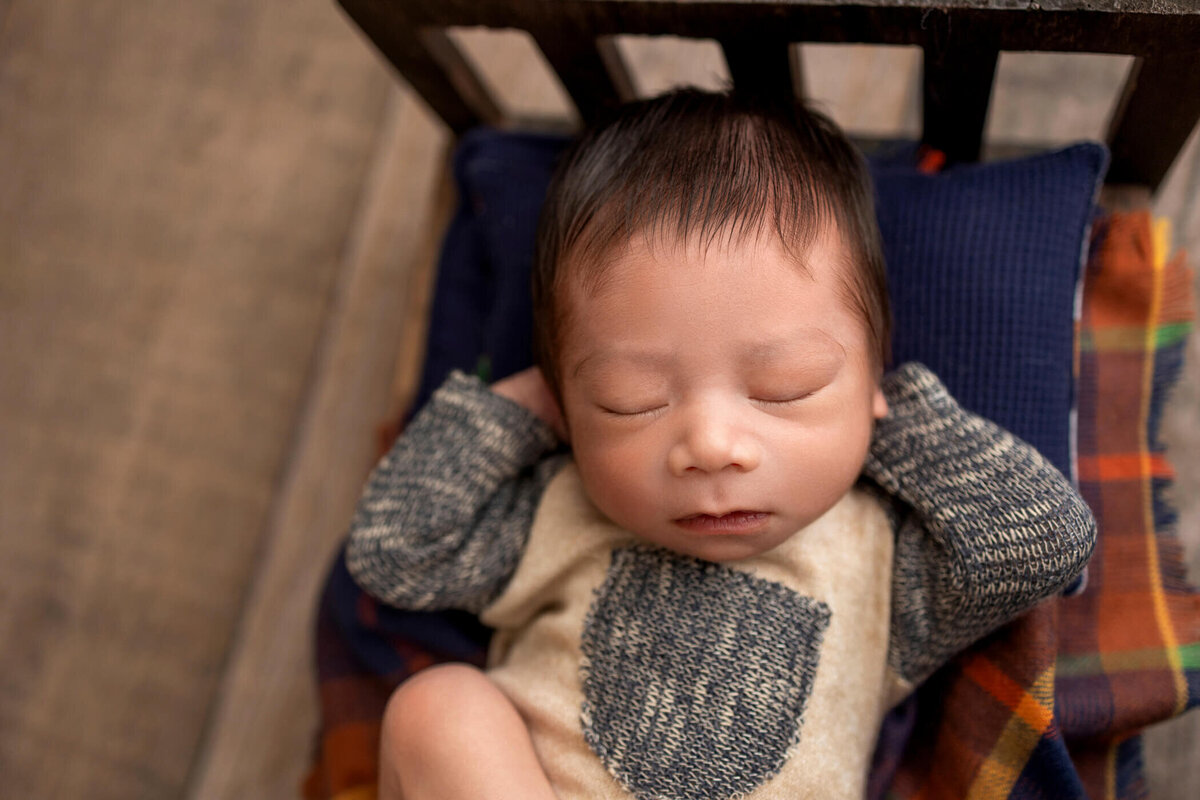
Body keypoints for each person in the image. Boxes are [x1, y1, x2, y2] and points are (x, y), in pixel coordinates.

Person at [345, 89, 1096, 800]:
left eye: (786, 386)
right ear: (568, 412)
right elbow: (393, 553)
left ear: (876, 375)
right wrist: (524, 408)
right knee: (435, 707)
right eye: (629, 400)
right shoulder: (555, 511)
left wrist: (890, 416)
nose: (710, 446)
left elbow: (1043, 542)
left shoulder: (883, 559)